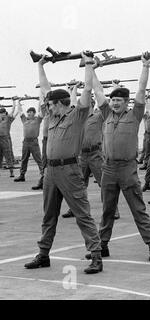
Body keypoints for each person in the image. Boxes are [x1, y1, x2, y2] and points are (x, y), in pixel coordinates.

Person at [24, 52, 103, 274]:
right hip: (51, 172)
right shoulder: (52, 117)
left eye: (50, 104)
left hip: (69, 170)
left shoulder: (77, 115)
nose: (46, 107)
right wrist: (40, 66)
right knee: (48, 216)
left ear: (60, 103)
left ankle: (96, 256)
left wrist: (88, 64)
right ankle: (43, 254)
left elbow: (87, 90)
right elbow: (44, 88)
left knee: (82, 214)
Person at [88, 51, 150, 262]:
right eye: (113, 100)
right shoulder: (107, 114)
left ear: (127, 102)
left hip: (127, 169)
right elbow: (98, 90)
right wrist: (90, 67)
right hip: (108, 168)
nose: (115, 103)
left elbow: (141, 89)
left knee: (138, 209)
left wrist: (145, 66)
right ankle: (103, 245)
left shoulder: (135, 114)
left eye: (119, 100)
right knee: (107, 210)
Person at [61, 82, 120, 220]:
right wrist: (73, 88)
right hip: (81, 156)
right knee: (78, 185)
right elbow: (72, 103)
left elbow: (109, 105)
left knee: (104, 183)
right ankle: (74, 209)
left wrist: (115, 88)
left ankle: (112, 210)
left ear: (93, 104)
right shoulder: (77, 117)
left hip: (95, 155)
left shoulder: (99, 116)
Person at [13, 100, 45, 185]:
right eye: (28, 112)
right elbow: (20, 112)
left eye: (30, 112)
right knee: (24, 159)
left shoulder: (37, 120)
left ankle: (43, 175)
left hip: (34, 142)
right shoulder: (24, 120)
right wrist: (18, 102)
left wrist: (41, 100)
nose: (29, 114)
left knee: (38, 159)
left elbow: (42, 112)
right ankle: (22, 175)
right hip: (25, 142)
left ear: (34, 113)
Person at [0, 103, 17, 178]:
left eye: (3, 113)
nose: (2, 114)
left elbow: (12, 111)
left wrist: (14, 102)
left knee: (8, 155)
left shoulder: (7, 119)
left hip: (5, 139)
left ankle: (11, 172)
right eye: (1, 113)